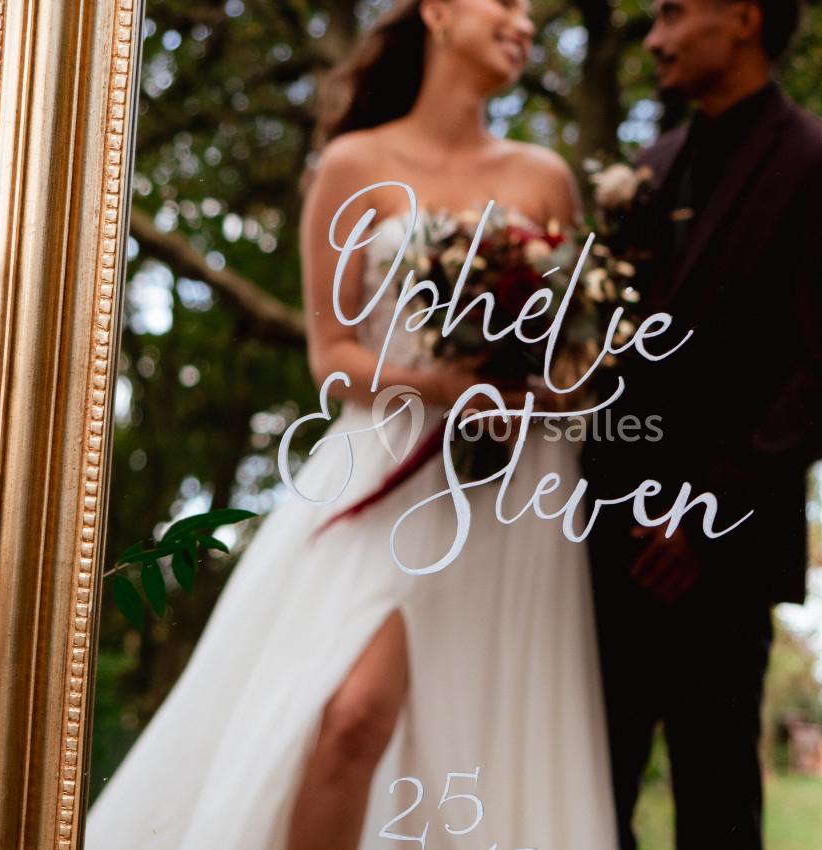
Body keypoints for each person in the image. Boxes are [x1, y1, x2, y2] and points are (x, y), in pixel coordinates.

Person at [84, 1, 618, 848]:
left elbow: (575, 349)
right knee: (349, 716)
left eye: (532, 11)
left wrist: (546, 387)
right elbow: (331, 354)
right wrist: (433, 381)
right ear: (439, 11)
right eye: (506, 2)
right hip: (385, 467)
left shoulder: (543, 176)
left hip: (507, 482)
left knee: (474, 733)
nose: (525, 21)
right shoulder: (352, 163)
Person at [581, 1, 822, 848]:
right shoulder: (650, 165)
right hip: (605, 539)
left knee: (715, 808)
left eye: (673, 12)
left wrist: (706, 513)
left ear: (743, 16)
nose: (655, 38)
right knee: (588, 800)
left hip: (719, 556)